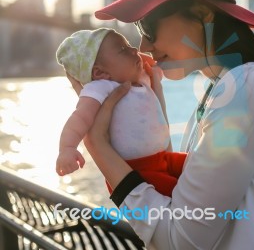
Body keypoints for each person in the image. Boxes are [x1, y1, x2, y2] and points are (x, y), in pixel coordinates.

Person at [68, 0, 254, 250]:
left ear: (202, 14)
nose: (144, 45)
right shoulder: (226, 88)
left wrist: (98, 146)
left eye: (148, 25)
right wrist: (154, 101)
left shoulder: (245, 88)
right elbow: (181, 195)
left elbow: (181, 241)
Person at [55, 28, 187, 196]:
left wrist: (136, 60)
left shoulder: (140, 79)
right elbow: (80, 118)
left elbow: (155, 66)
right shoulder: (101, 87)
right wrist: (67, 148)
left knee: (200, 168)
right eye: (123, 49)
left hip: (163, 159)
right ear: (100, 72)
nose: (134, 50)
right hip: (136, 170)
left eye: (130, 46)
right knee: (179, 194)